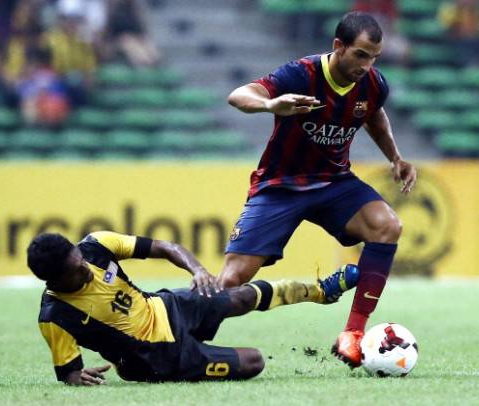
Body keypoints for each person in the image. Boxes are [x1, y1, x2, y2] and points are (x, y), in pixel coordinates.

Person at [218, 11, 417, 369]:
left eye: (374, 57)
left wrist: (395, 157)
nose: (366, 65)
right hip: (281, 185)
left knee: (388, 225)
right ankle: (187, 335)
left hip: (333, 183)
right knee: (233, 278)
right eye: (360, 55)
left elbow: (373, 114)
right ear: (338, 46)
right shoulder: (301, 74)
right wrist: (269, 104)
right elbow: (238, 95)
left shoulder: (373, 83)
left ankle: (353, 334)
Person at [27, 231, 359, 385]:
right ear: (56, 280)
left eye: (80, 258)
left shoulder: (95, 246)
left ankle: (322, 291)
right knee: (253, 361)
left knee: (239, 296)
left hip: (166, 306)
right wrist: (75, 377)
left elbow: (166, 247)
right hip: (156, 359)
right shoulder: (55, 316)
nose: (85, 266)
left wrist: (197, 270)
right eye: (77, 269)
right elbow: (68, 372)